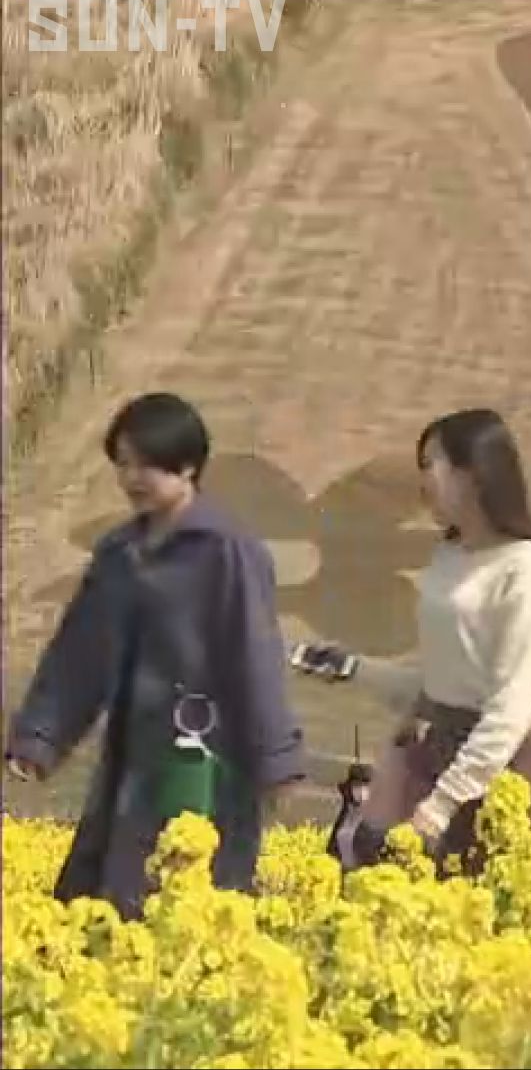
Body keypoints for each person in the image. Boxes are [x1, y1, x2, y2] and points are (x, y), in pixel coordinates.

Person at [3, 392, 306, 919]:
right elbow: (78, 653)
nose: (131, 479)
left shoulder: (226, 550)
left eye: (145, 465)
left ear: (187, 465)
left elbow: (254, 655)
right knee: (106, 902)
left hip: (205, 757)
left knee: (191, 901)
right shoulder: (118, 553)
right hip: (133, 756)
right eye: (122, 464)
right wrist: (40, 737)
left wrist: (276, 759)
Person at [294, 408, 531, 871]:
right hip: (432, 755)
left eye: (430, 464)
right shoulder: (449, 555)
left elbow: (511, 704)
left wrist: (441, 805)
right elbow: (440, 685)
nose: (421, 481)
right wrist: (355, 669)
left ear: (473, 472)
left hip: (496, 775)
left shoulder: (524, 566)